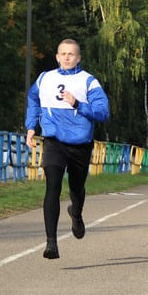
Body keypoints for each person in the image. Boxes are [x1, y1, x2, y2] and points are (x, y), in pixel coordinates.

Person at [25, 38, 110, 259]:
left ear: (78, 57)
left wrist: (77, 104)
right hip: (53, 141)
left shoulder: (88, 82)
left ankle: (77, 212)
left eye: (71, 54)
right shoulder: (45, 78)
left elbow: (103, 112)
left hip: (80, 144)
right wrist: (31, 127)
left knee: (76, 188)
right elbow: (33, 99)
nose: (66, 57)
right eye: (62, 53)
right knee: (52, 185)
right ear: (56, 57)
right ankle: (51, 243)